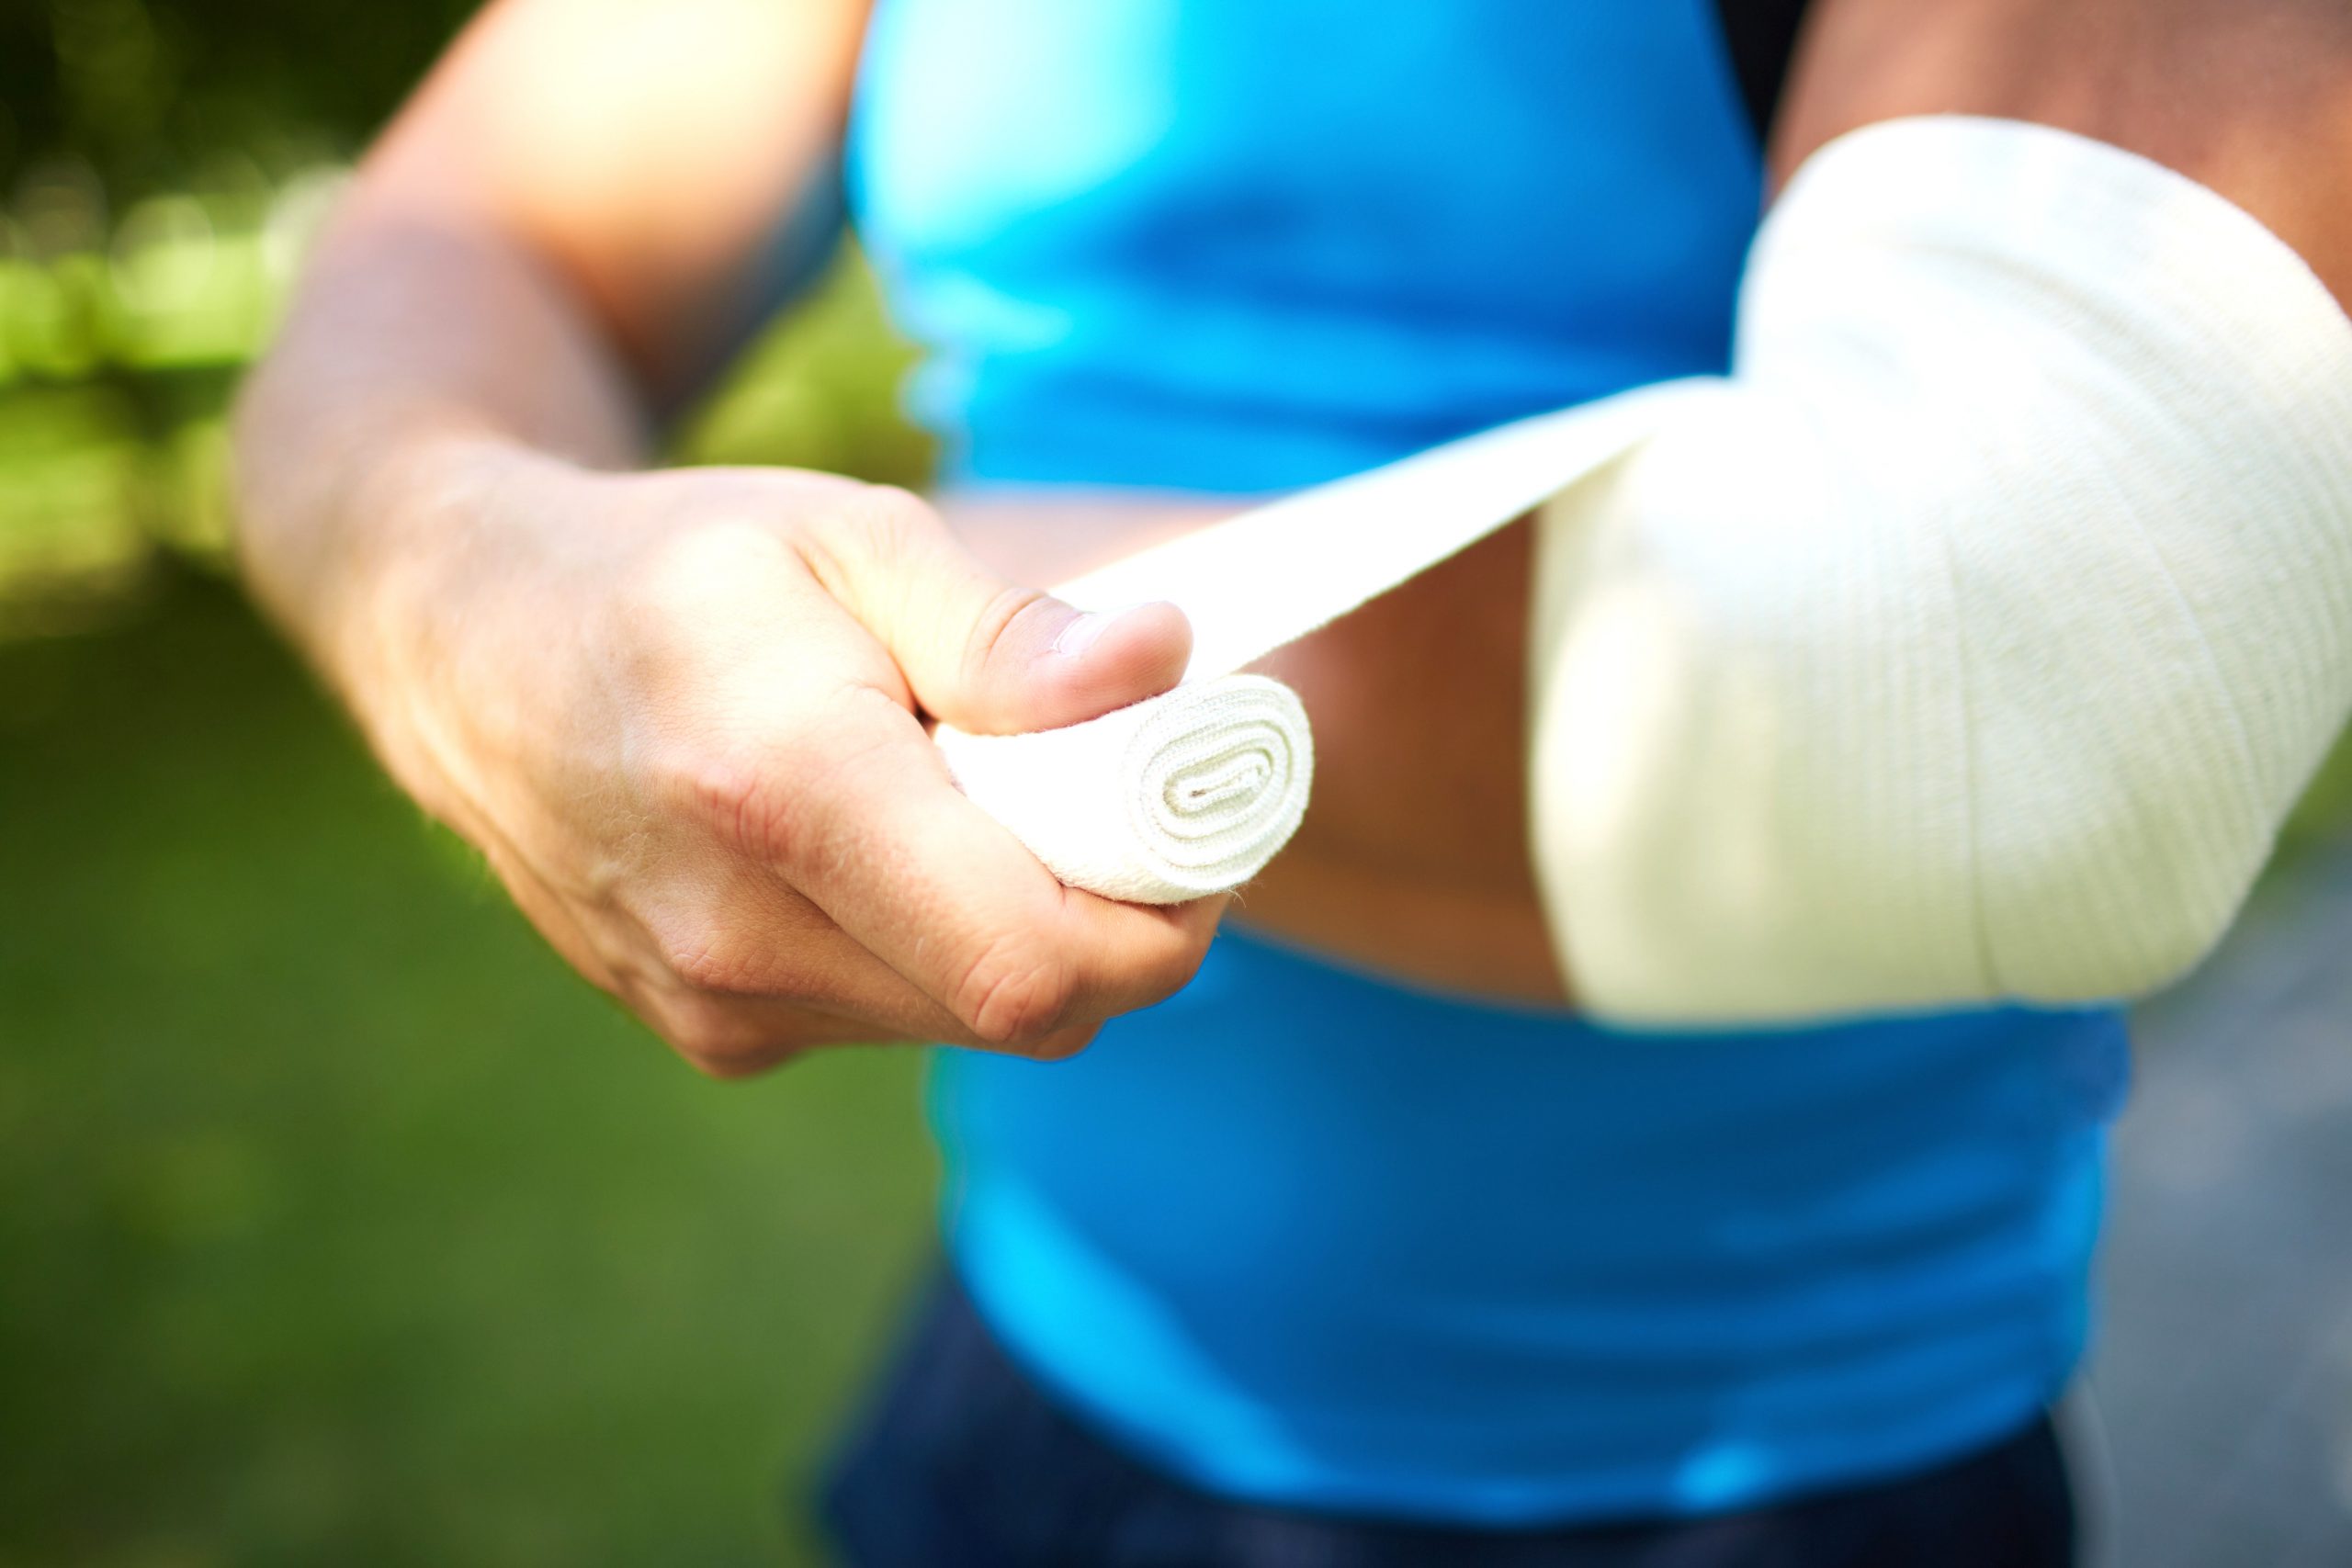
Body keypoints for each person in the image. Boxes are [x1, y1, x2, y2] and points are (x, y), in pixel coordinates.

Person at [232, 1, 2352, 1563]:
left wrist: (804, 633)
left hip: (1764, 1464)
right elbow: (460, 256)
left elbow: (2022, 678)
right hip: (1035, 1377)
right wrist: (468, 585)